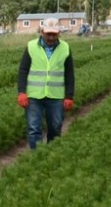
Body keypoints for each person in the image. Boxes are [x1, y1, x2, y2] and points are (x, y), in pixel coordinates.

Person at [16, 19, 75, 149]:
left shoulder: (65, 48)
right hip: (34, 96)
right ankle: (36, 158)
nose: (51, 37)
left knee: (55, 128)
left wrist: (69, 96)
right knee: (34, 129)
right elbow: (23, 71)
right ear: (42, 32)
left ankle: (51, 156)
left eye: (54, 34)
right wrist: (21, 92)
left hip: (56, 96)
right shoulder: (31, 46)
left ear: (59, 33)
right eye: (48, 34)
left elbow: (69, 74)